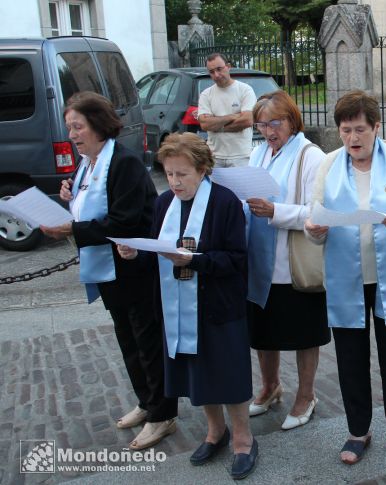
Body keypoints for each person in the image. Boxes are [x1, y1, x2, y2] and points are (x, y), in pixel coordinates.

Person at [304, 90, 386, 465]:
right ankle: (357, 431)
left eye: (360, 129)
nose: (353, 139)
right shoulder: (329, 165)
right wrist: (315, 229)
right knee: (350, 357)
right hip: (346, 279)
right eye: (345, 130)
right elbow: (315, 221)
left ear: (376, 127)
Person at [40, 92, 178, 450]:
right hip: (108, 268)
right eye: (69, 126)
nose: (72, 134)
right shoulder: (88, 162)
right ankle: (147, 401)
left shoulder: (124, 163)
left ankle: (163, 414)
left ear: (99, 125)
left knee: (146, 341)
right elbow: (87, 204)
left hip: (134, 266)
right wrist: (69, 195)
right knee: (127, 338)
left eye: (78, 126)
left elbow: (125, 220)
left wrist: (71, 229)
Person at [117, 133, 258, 479]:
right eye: (169, 174)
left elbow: (237, 260)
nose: (175, 182)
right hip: (177, 306)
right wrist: (135, 255)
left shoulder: (225, 203)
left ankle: (243, 438)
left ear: (203, 169)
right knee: (196, 372)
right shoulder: (164, 204)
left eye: (183, 174)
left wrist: (194, 260)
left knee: (227, 372)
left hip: (218, 307)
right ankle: (215, 432)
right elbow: (155, 257)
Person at [245, 90, 330, 430]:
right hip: (259, 260)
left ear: (292, 120)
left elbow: (319, 212)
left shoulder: (311, 156)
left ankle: (306, 394)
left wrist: (275, 211)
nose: (268, 131)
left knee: (303, 332)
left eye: (274, 123)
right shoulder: (257, 153)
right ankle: (270, 386)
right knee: (263, 331)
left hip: (293, 261)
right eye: (261, 125)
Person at [197, 52, 256, 167]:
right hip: (214, 157)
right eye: (212, 72)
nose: (216, 75)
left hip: (241, 156)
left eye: (219, 69)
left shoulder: (245, 90)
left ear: (228, 67)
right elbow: (205, 124)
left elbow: (247, 120)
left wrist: (217, 126)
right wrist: (233, 116)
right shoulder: (206, 94)